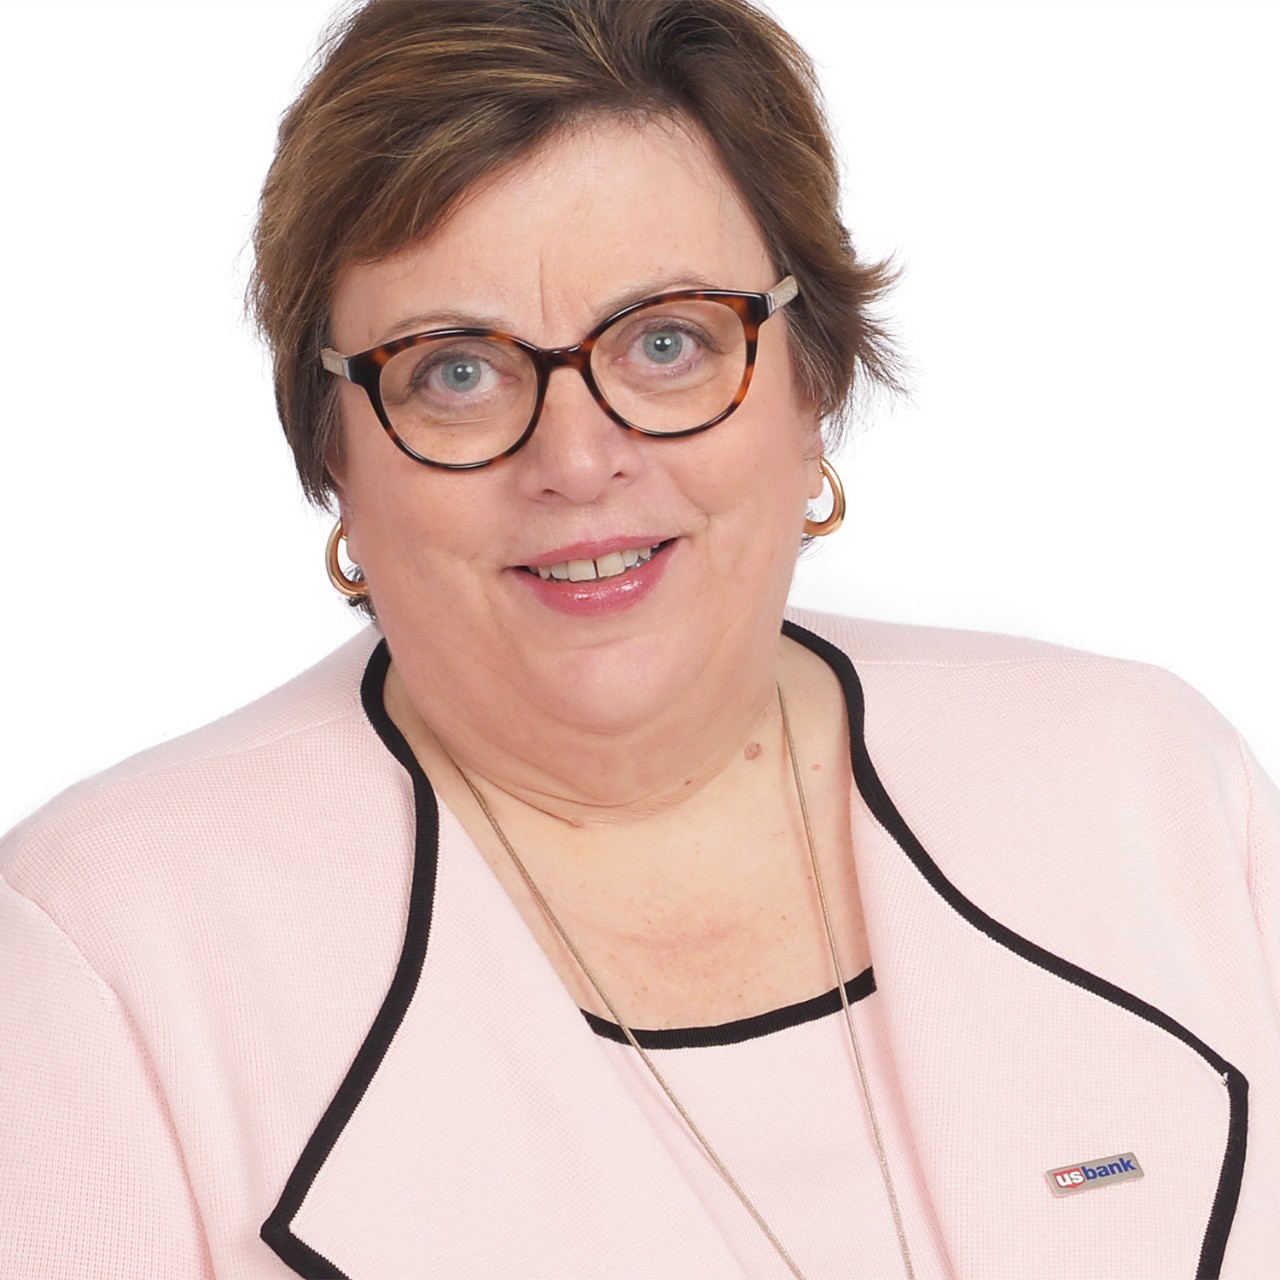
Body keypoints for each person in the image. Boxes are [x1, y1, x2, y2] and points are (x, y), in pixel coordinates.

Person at [2, 1, 1277, 1276]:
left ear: (812, 383)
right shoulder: (101, 949)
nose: (576, 459)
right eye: (454, 369)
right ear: (332, 446)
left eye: (666, 340)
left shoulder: (1153, 787)